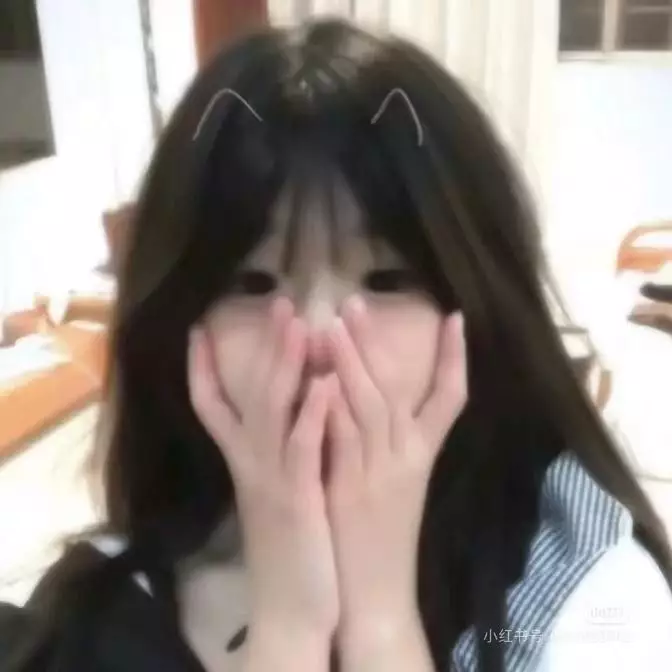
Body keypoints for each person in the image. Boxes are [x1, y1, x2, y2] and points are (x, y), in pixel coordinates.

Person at [1, 17, 671, 672]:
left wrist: (379, 624)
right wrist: (288, 630)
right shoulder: (100, 614)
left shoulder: (585, 598)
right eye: (253, 283)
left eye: (387, 279)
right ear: (178, 326)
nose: (320, 337)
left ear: (480, 310)